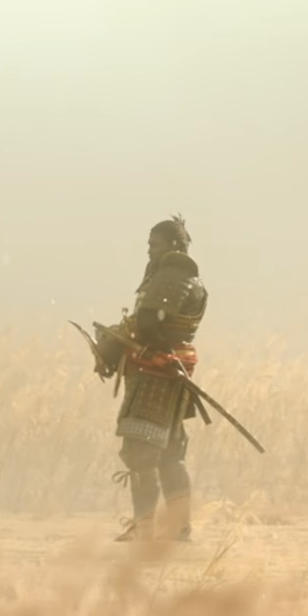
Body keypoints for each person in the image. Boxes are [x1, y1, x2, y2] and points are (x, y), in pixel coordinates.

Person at [95, 217, 207, 542]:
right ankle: (178, 527)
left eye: (154, 244)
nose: (149, 251)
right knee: (170, 454)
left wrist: (120, 340)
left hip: (157, 373)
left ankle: (146, 526)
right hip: (167, 371)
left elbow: (147, 325)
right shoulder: (180, 277)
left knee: (141, 450)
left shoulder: (174, 276)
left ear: (173, 246)